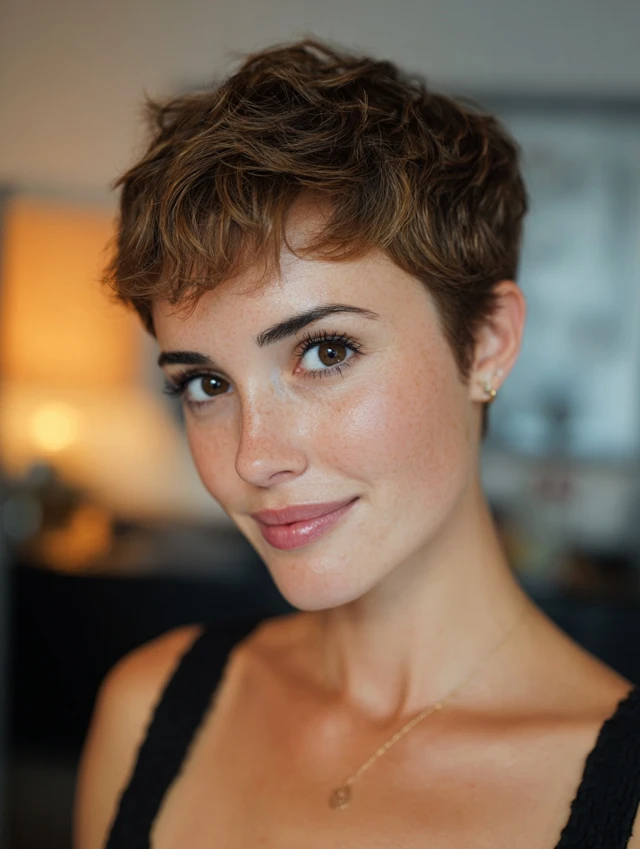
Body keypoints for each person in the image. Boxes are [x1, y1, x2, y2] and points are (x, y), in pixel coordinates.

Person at [73, 38, 640, 848]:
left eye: (325, 351)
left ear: (486, 342)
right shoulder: (148, 709)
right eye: (205, 383)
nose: (254, 457)